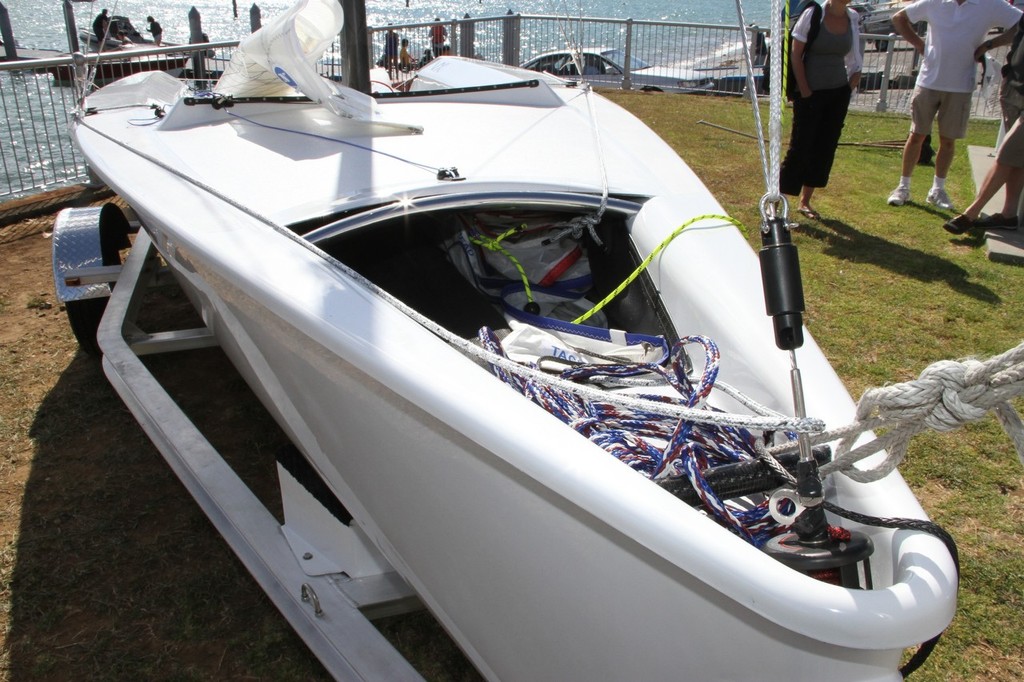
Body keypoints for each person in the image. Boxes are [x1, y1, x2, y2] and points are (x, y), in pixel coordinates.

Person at [886, 0, 1022, 210]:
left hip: (960, 85)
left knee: (948, 141)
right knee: (916, 136)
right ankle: (903, 187)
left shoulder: (990, 4)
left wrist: (989, 45)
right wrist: (920, 45)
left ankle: (937, 189)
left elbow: (1020, 23)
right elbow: (899, 18)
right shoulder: (935, 2)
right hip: (928, 81)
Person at [779, 0, 863, 220]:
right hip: (810, 94)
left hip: (838, 93)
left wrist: (851, 83)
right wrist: (805, 90)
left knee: (824, 147)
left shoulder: (852, 18)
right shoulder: (813, 14)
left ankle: (805, 201)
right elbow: (795, 54)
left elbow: (852, 55)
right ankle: (780, 201)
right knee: (800, 146)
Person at [944, 17, 1023, 233]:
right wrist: (989, 45)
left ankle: (971, 213)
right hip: (1015, 87)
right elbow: (1017, 30)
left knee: (1006, 155)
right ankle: (1008, 215)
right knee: (1017, 159)